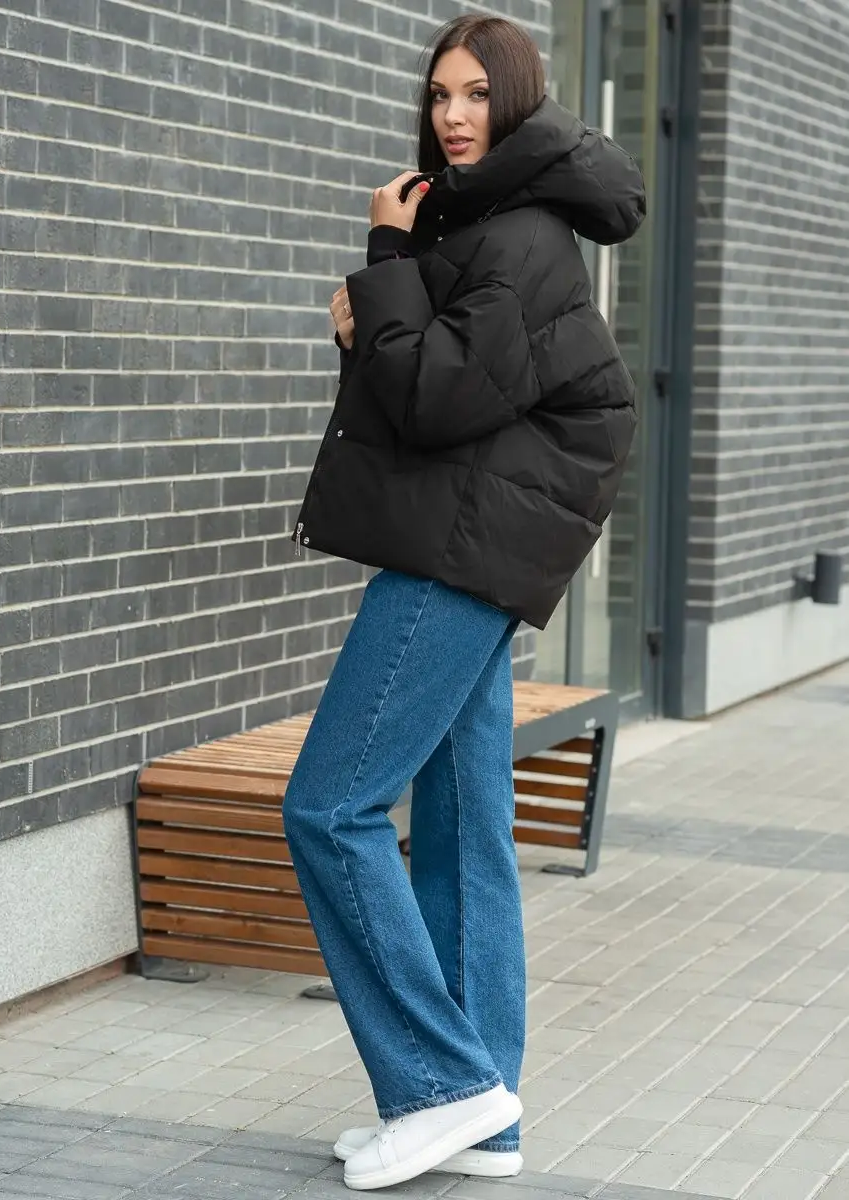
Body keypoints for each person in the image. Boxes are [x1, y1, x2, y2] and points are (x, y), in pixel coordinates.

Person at [283, 13, 646, 1192]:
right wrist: (384, 301)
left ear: (519, 103)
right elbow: (434, 394)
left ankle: (443, 1086)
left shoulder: (521, 235)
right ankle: (485, 1121)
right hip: (480, 539)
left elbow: (435, 401)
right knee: (461, 823)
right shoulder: (487, 221)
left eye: (478, 94)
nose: (451, 115)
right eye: (440, 93)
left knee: (329, 807)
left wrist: (384, 264)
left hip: (467, 550)